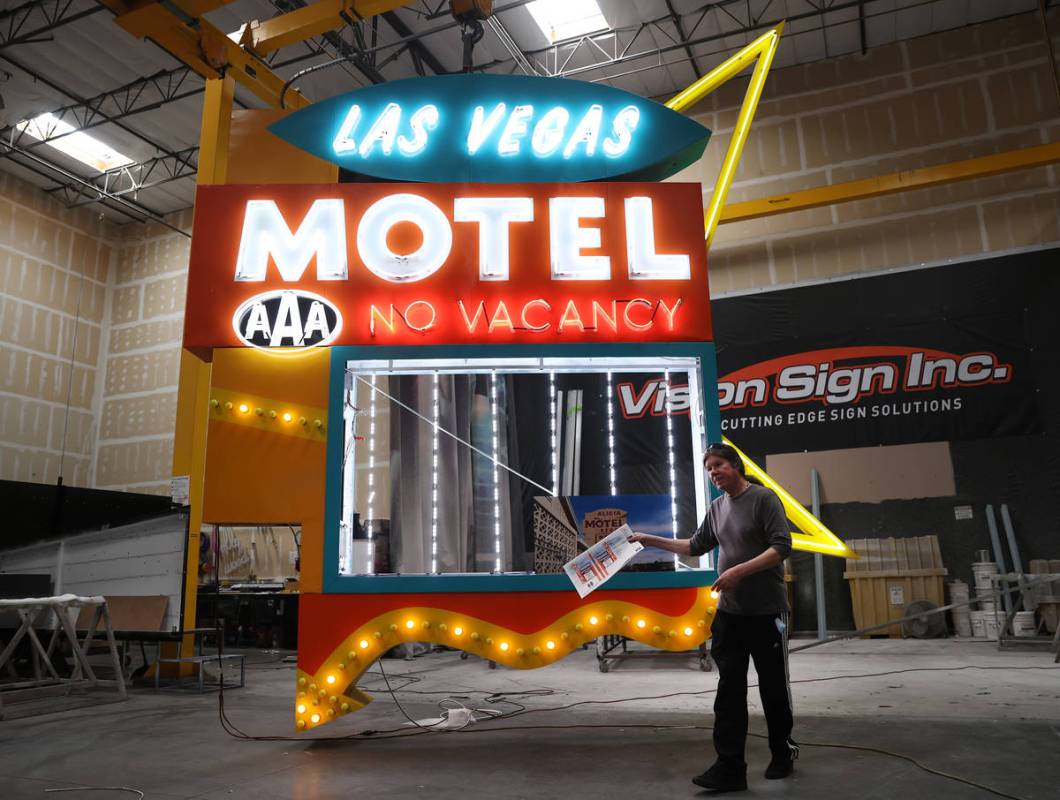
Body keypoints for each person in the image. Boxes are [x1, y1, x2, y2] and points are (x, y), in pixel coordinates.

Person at [630, 442, 797, 792]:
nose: (714, 472)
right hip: (730, 615)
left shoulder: (764, 499)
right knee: (729, 691)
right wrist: (649, 539)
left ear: (736, 465)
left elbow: (781, 547)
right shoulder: (718, 507)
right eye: (709, 469)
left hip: (766, 613)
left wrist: (738, 571)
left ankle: (782, 752)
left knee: (773, 688)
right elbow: (694, 545)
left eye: (719, 465)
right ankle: (730, 767)